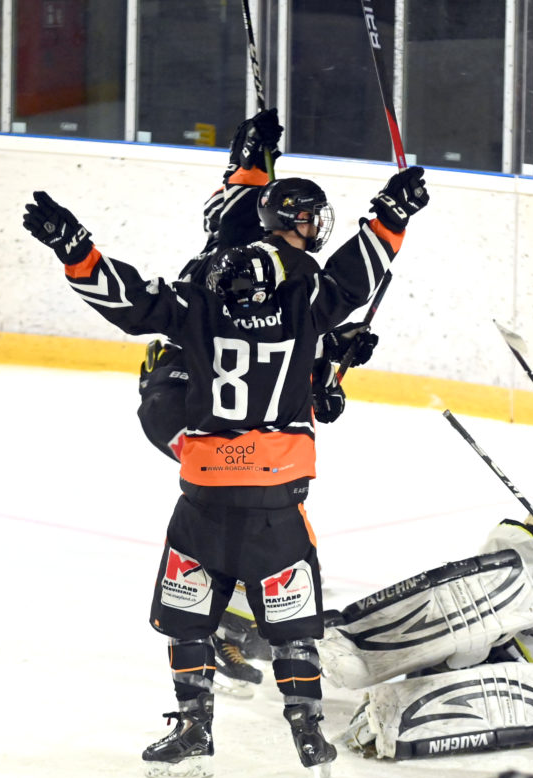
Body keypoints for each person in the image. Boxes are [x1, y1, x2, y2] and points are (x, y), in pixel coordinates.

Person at [22, 162, 429, 778]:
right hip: (276, 488)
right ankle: (308, 729)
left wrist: (74, 247)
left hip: (207, 487)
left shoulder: (200, 302)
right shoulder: (307, 300)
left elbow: (129, 303)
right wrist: (393, 213)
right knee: (291, 622)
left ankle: (192, 728)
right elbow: (359, 268)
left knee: (189, 613)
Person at [136, 108, 380, 695]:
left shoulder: (276, 270)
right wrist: (250, 158)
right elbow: (231, 218)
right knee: (248, 506)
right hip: (183, 400)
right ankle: (218, 622)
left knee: (259, 503)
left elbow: (281, 359)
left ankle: (224, 616)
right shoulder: (232, 261)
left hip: (201, 397)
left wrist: (327, 368)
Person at [317, 507, 533, 760]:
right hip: (468, 659)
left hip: (520, 681)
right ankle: (373, 675)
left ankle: (399, 709)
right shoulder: (514, 562)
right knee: (500, 591)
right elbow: (509, 546)